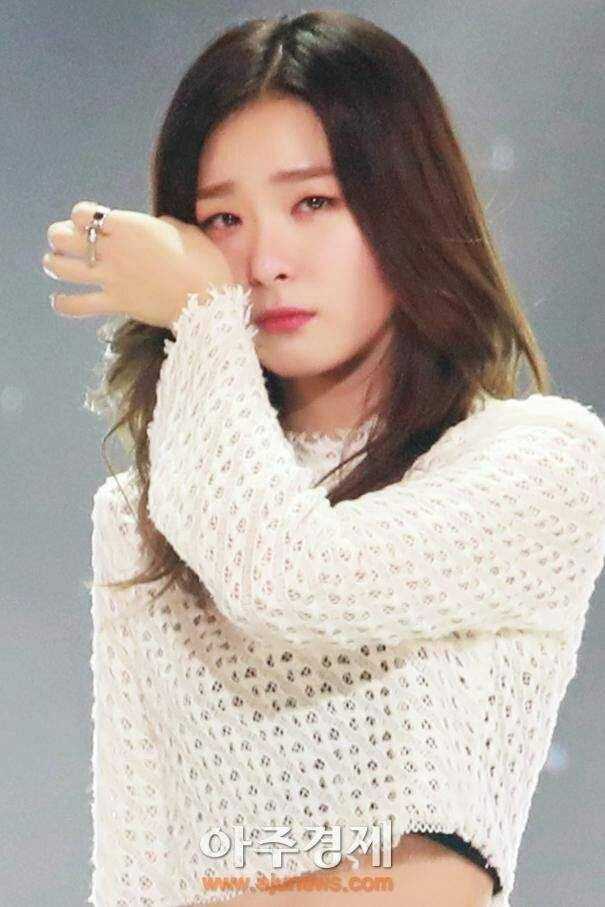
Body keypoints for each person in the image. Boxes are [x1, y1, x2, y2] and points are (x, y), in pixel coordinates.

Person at [43, 10, 605, 907]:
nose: (265, 260)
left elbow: (289, 578)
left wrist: (204, 316)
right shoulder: (143, 513)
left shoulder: (538, 463)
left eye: (314, 202)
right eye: (221, 219)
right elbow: (140, 863)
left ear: (407, 199)